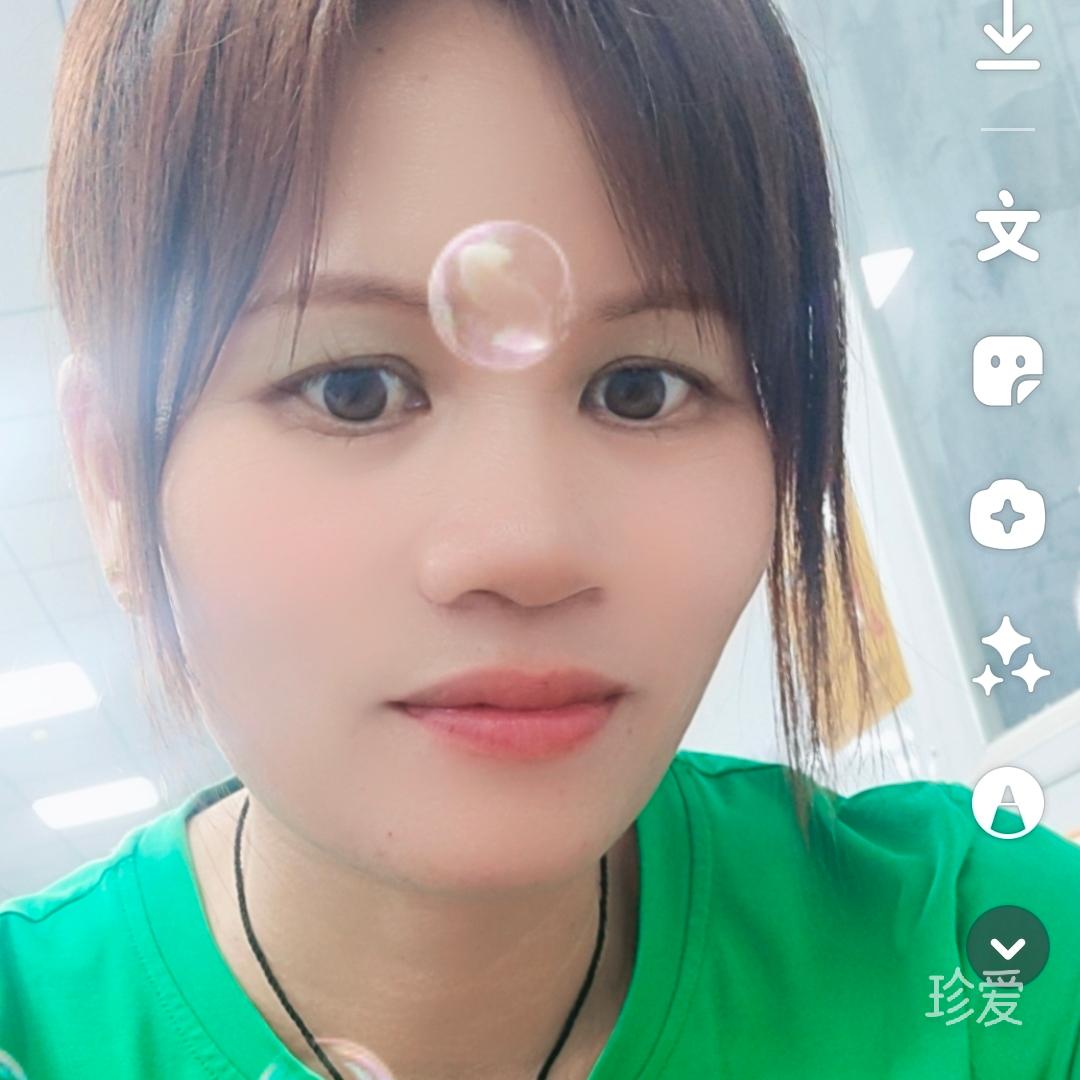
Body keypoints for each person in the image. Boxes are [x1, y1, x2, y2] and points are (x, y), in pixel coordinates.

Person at [2, 1, 1078, 1078]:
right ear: (112, 479)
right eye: (353, 389)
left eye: (641, 388)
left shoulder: (990, 962)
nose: (525, 548)